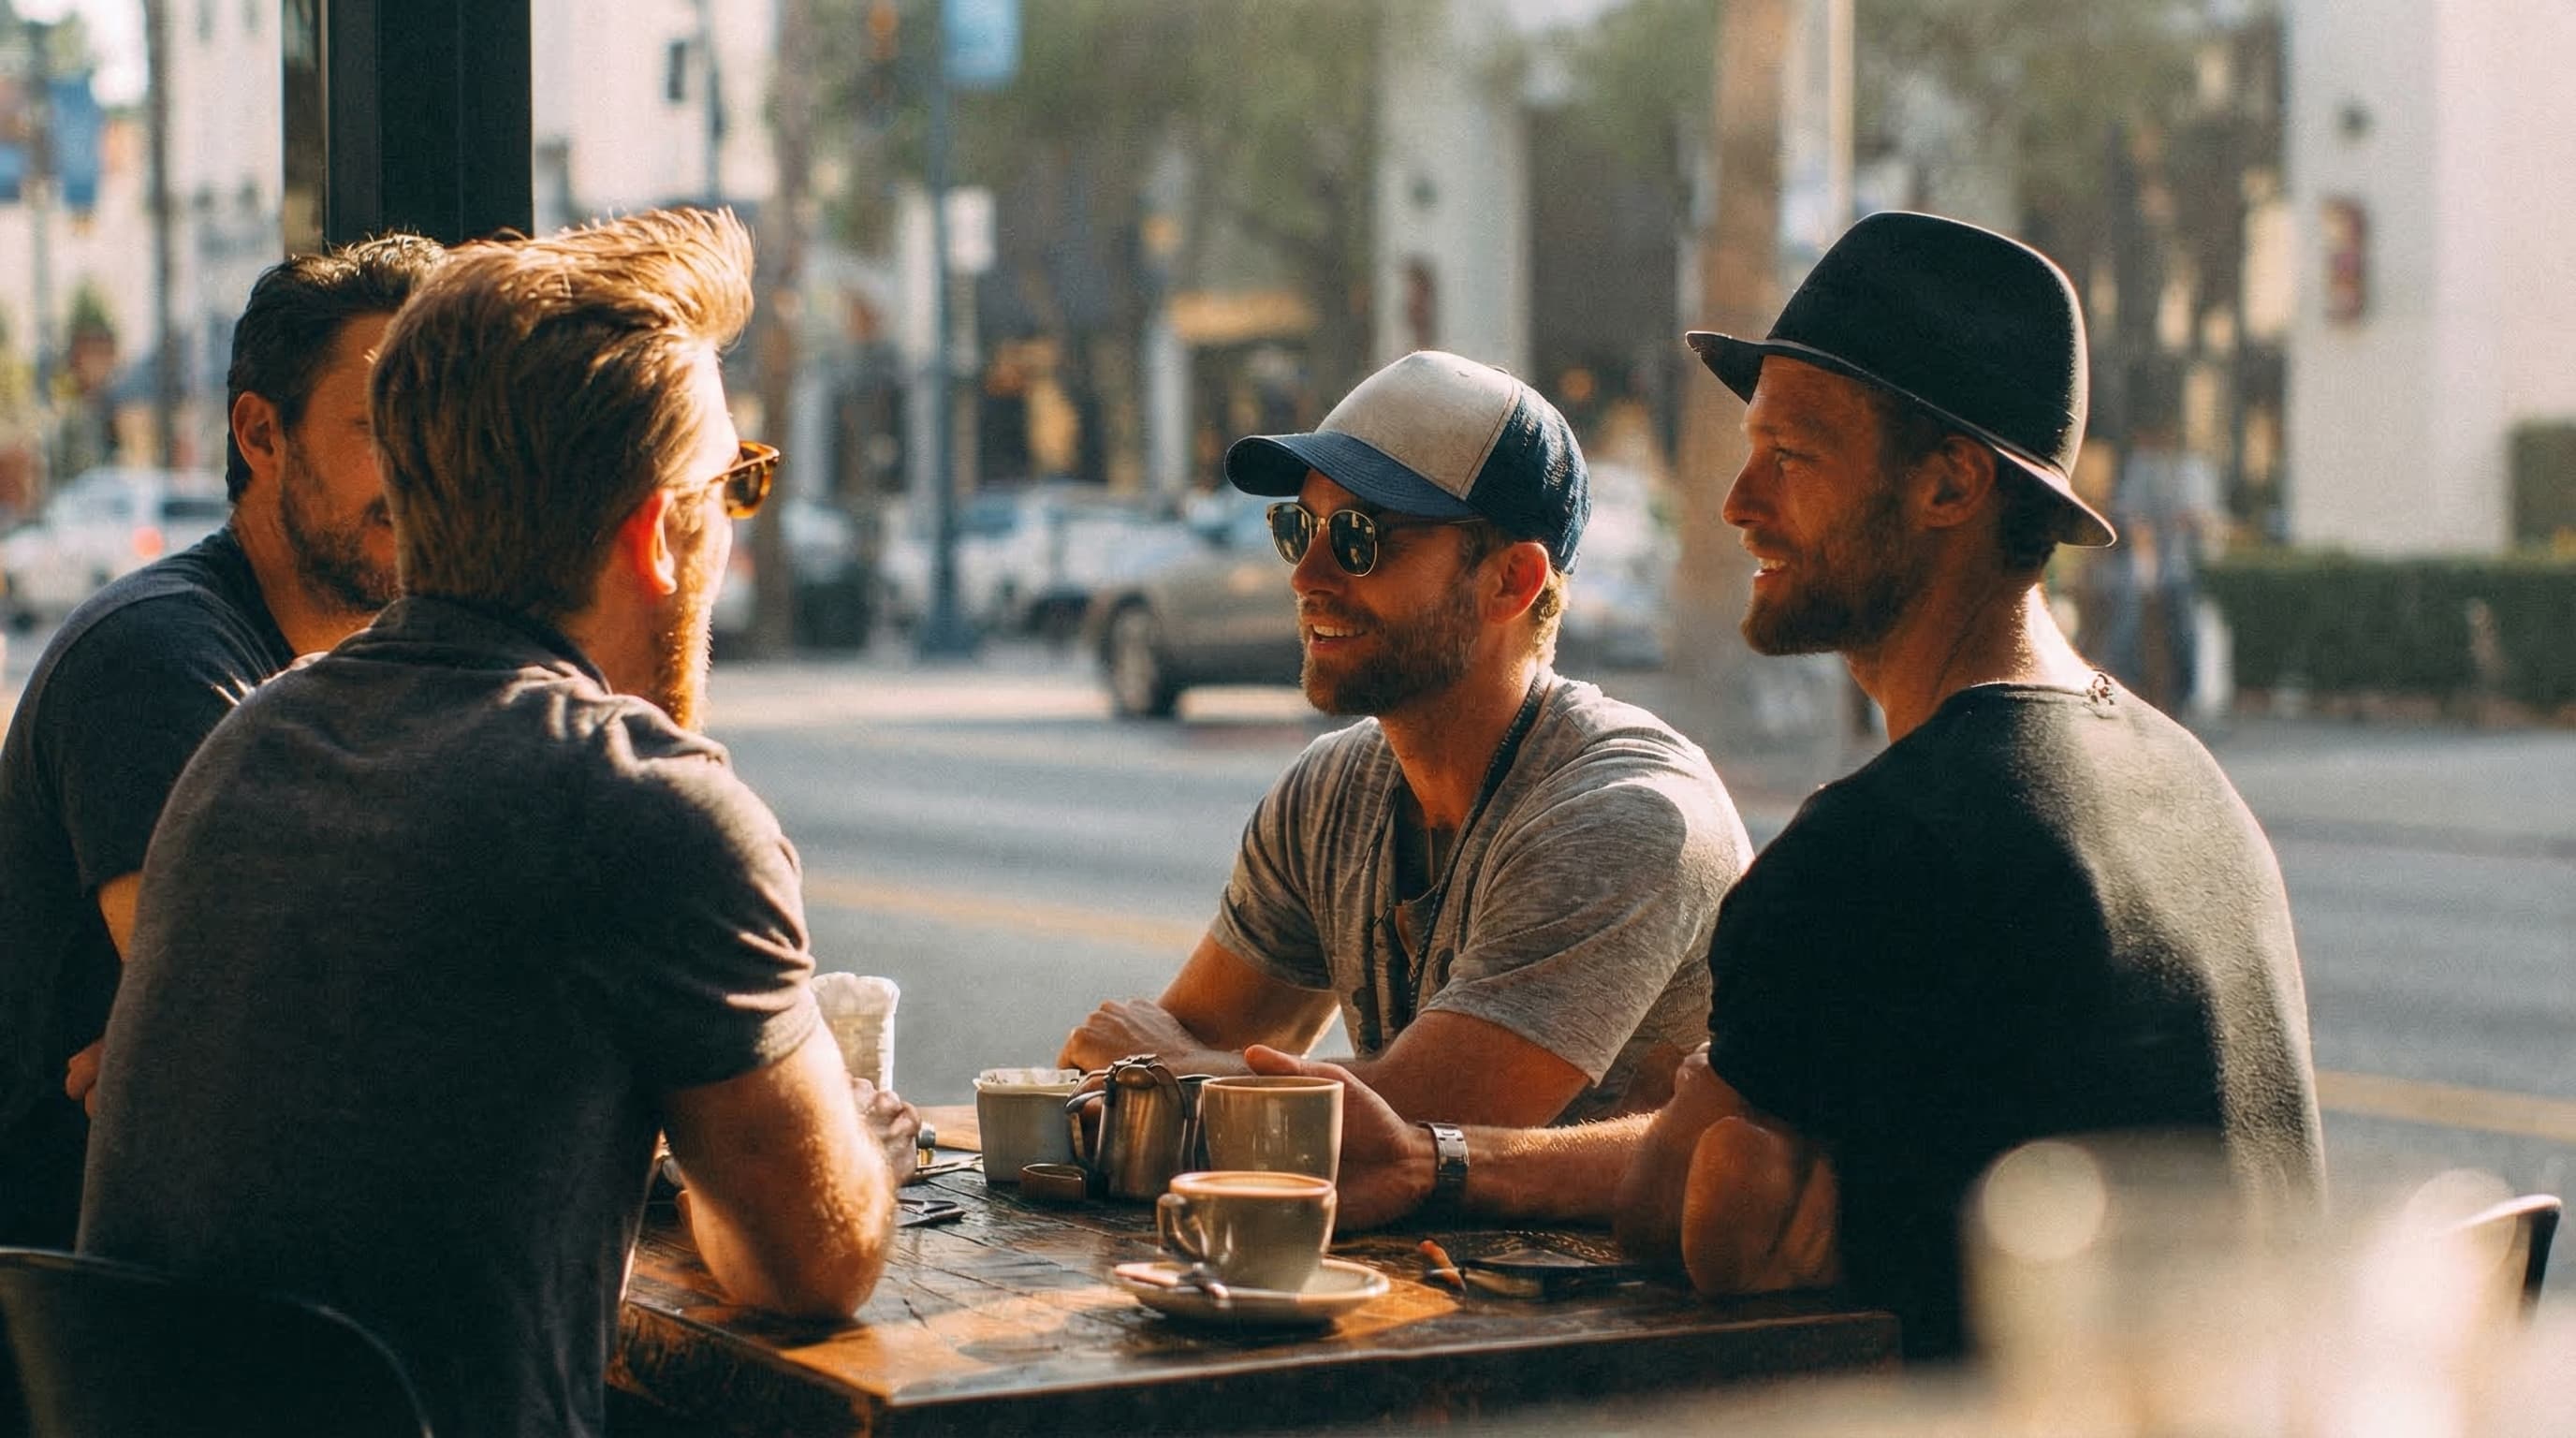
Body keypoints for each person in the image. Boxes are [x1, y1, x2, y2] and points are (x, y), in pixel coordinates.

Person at [1248, 213, 2323, 1359]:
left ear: (1949, 486)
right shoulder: (2184, 776)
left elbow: (1690, 1216)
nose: (1737, 500)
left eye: (1792, 456)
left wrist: (1762, 1168)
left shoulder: (1880, 845)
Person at [80, 209, 907, 1438]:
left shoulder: (248, 747)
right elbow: (810, 1267)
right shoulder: (641, 810)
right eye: (731, 488)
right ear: (655, 534)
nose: (734, 529)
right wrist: (864, 1135)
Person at [1062, 351, 1749, 1127]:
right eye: (1298, 528)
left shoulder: (1627, 813)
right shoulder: (1330, 792)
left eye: (1360, 538)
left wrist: (1180, 1074)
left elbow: (1438, 1119)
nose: (1307, 575)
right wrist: (1175, 1071)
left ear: (1511, 582)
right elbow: (1157, 1070)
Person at [0, 234, 445, 1247]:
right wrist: (233, 1046)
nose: (428, 476)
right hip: (111, 1343)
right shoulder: (158, 661)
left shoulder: (357, 676)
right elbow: (259, 1057)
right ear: (260, 433)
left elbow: (283, 1024)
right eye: (384, 430)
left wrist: (224, 1042)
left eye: (450, 433)